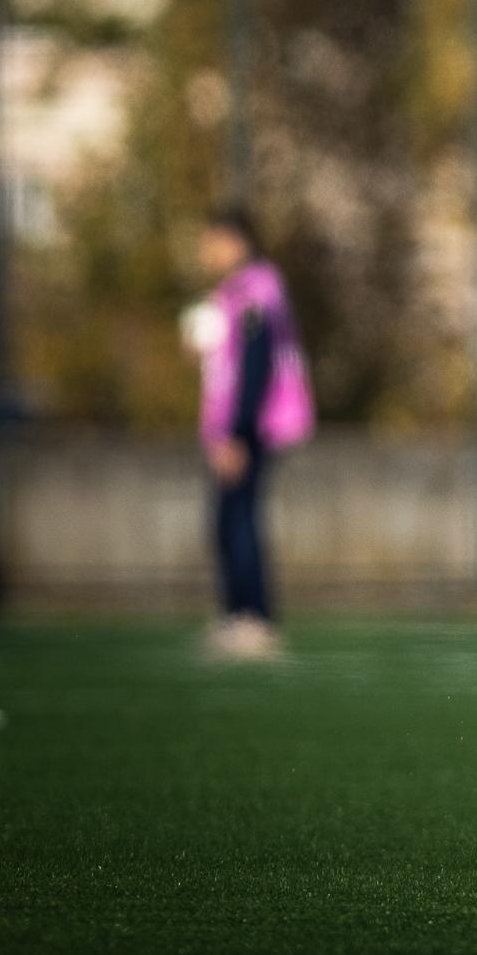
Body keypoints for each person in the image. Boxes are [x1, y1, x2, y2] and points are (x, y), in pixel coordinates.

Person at [187, 208, 312, 661]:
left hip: (249, 427)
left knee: (239, 520)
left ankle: (253, 618)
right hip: (233, 427)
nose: (207, 253)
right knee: (228, 520)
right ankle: (238, 614)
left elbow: (256, 366)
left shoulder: (256, 291)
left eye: (213, 242)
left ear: (237, 242)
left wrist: (237, 433)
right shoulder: (234, 294)